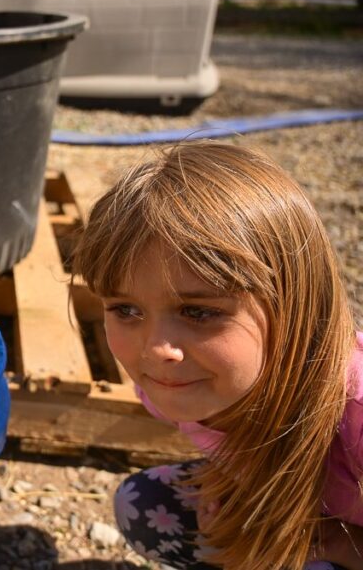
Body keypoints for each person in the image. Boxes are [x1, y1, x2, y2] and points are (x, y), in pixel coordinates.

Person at [70, 140, 362, 570]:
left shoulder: (355, 417)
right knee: (145, 505)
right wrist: (234, 482)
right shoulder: (176, 383)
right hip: (309, 510)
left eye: (200, 312)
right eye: (126, 310)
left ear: (294, 307)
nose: (155, 349)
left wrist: (333, 544)